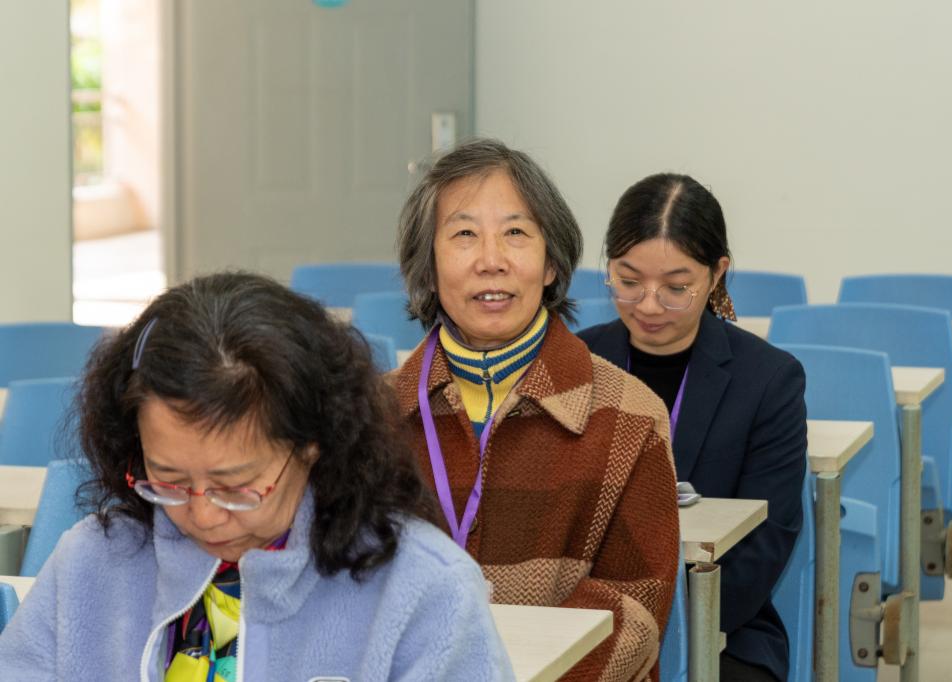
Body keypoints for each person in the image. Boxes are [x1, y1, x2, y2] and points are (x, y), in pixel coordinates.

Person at [0, 272, 513, 681]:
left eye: (236, 487)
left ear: (313, 443)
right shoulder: (91, 564)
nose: (203, 515)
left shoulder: (422, 588)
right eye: (168, 479)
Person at [392, 139, 680, 681]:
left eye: (516, 233)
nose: (492, 261)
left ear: (551, 264)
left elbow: (634, 610)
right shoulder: (375, 417)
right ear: (427, 267)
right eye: (464, 235)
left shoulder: (629, 416)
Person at [578, 173, 807, 682]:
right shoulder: (575, 363)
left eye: (676, 288)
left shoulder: (769, 380)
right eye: (628, 281)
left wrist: (663, 634)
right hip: (590, 622)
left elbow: (764, 546)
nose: (649, 305)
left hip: (722, 624)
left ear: (717, 273)